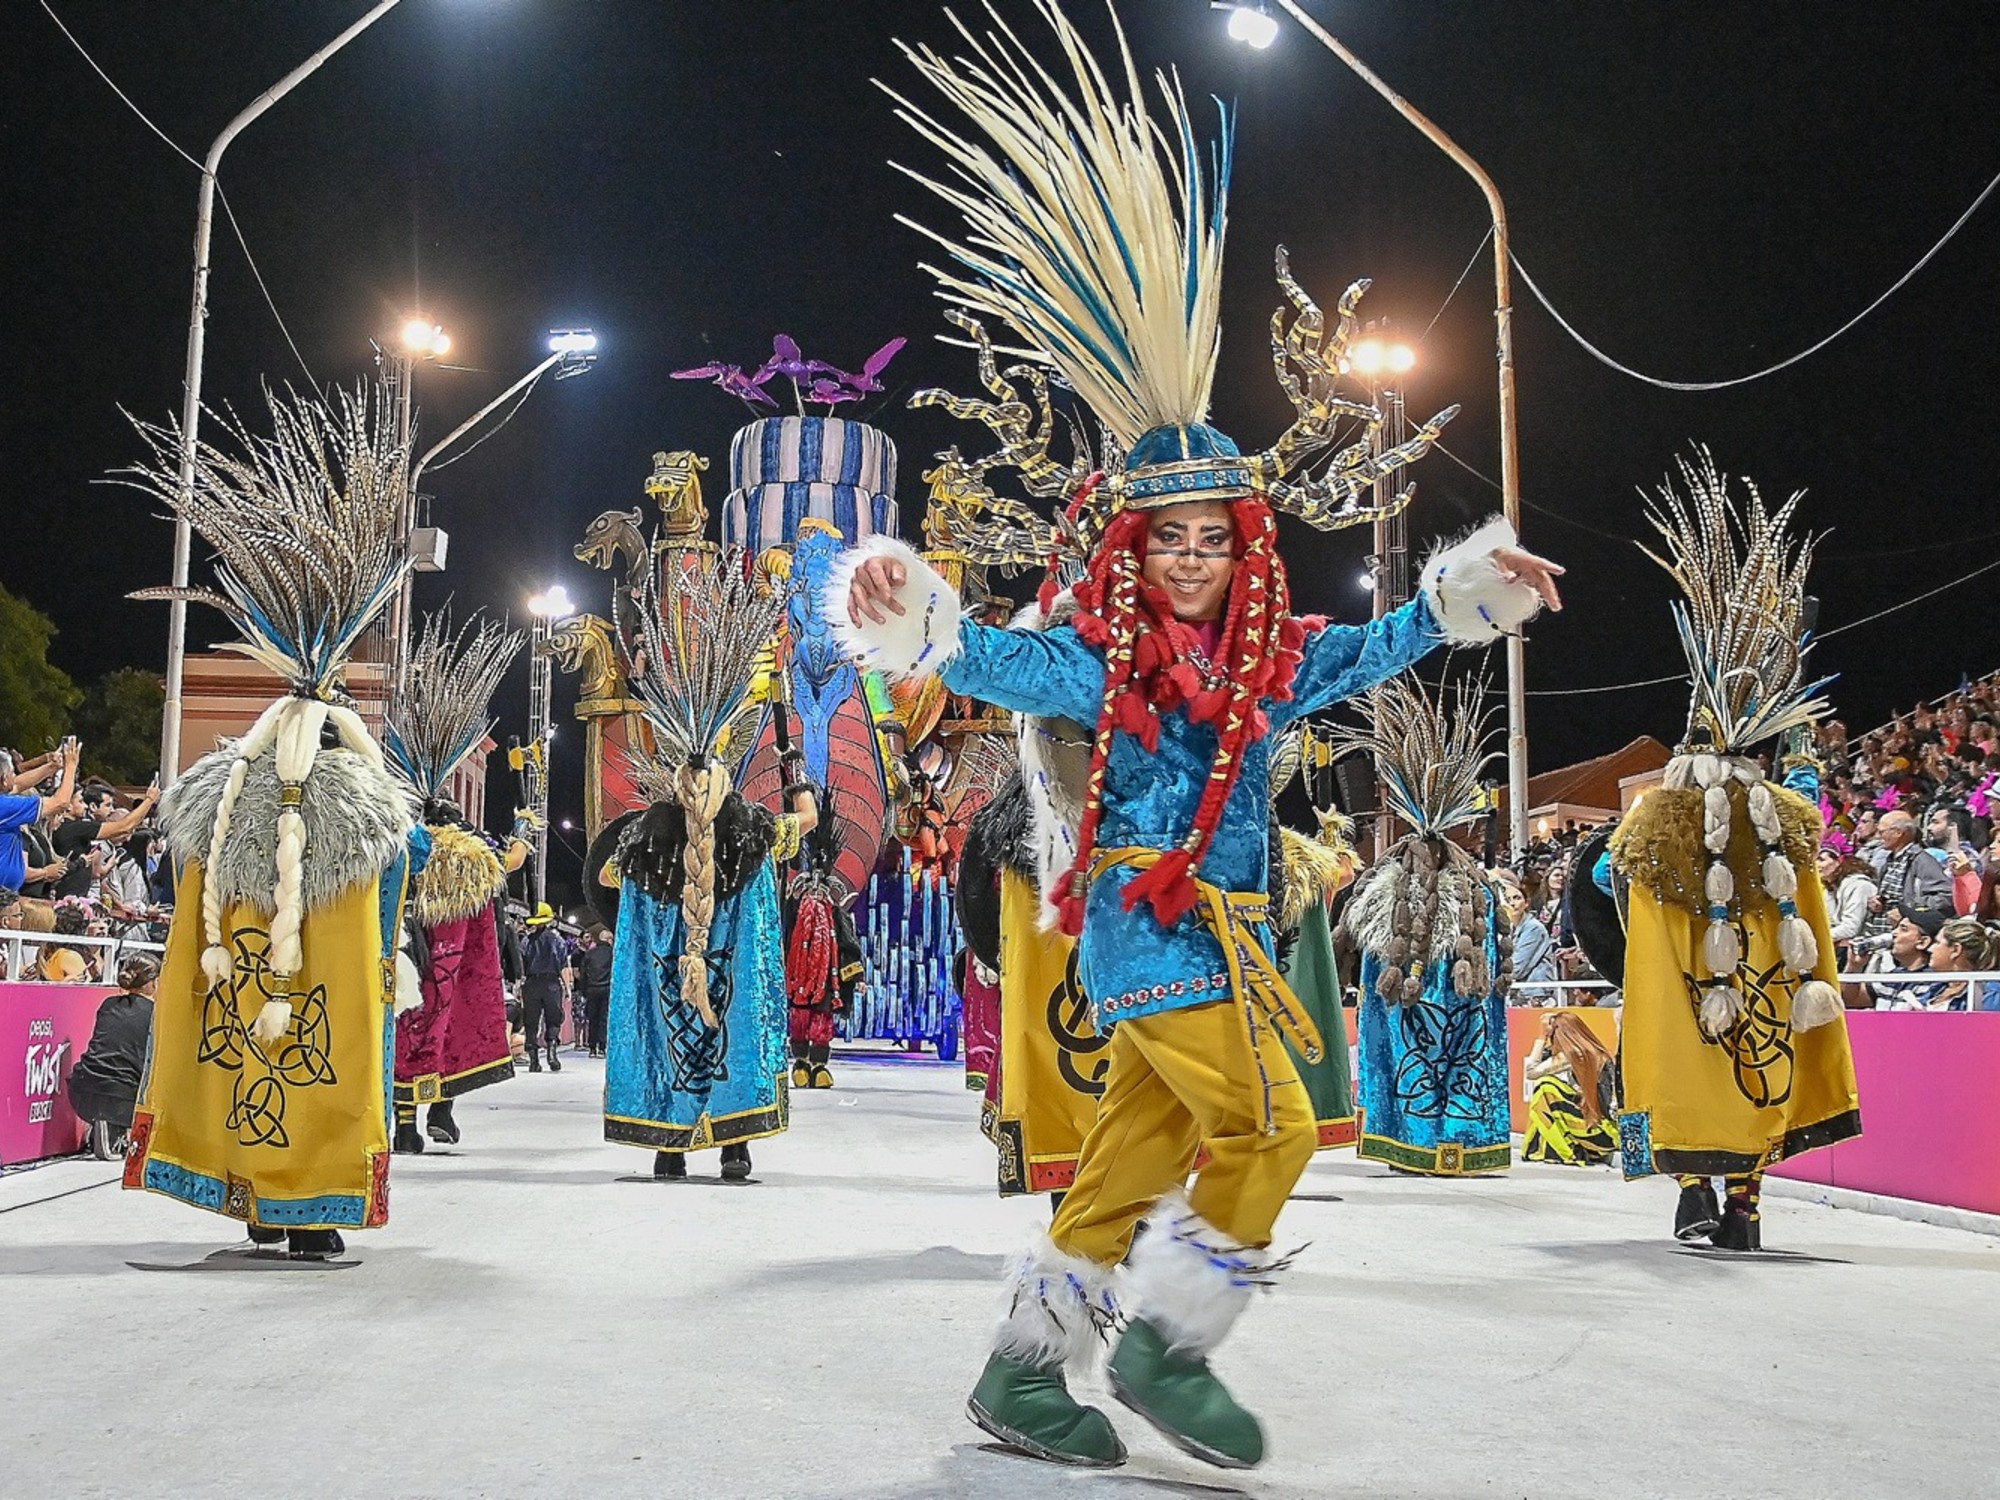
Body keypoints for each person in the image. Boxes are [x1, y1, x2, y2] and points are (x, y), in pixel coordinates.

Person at [835, 2, 1561, 1467]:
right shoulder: (1096, 662)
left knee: (1125, 1170)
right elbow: (991, 653)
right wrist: (910, 612)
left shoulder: (1276, 656)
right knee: (1277, 1130)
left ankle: (1021, 1376)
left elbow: (1381, 641)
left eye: (1209, 538)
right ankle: (1168, 1349)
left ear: (1245, 542)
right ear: (1129, 550)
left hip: (1226, 925)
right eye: (1161, 539)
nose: (1186, 560)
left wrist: (1469, 591)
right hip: (1140, 928)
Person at [119, 381, 420, 1261]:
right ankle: (311, 1215)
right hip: (315, 1007)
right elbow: (397, 895)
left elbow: (187, 900)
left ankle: (253, 1197)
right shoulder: (367, 811)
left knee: (250, 1057)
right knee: (315, 1059)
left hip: (242, 982)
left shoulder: (215, 798)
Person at [1605, 450, 1858, 1254]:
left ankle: (1692, 1192)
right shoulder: (1786, 820)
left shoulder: (1653, 825)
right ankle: (1744, 1205)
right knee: (1755, 1084)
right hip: (1766, 988)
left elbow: (1611, 899)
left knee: (1686, 1077)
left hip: (1685, 990)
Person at [592, 545, 816, 1184]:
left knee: (670, 1018)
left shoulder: (644, 839)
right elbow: (806, 823)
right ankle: (734, 1145)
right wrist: (790, 756)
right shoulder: (751, 829)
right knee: (728, 1016)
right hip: (723, 970)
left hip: (670, 967)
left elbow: (608, 883)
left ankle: (669, 1142)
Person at [1341, 681, 1512, 1178]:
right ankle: (1453, 1143)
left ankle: (1413, 1143)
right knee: (1459, 1045)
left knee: (1416, 1044)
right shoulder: (1469, 895)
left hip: (1434, 995)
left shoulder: (1445, 897)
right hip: (1451, 999)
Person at [384, 608, 531, 1152]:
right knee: (447, 1025)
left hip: (404, 956)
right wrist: (523, 827)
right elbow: (511, 861)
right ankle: (441, 1109)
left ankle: (403, 1124)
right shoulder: (472, 855)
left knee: (403, 1030)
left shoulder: (397, 849)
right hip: (447, 964)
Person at [67, 951, 161, 1158]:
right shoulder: (157, 1014)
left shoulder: (108, 1004)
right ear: (153, 983)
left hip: (81, 1090)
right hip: (121, 1097)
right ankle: (113, 1127)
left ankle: (107, 1126)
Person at [1521, 1010, 1619, 1166]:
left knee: (1545, 1088)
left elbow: (1531, 1072)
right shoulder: (1596, 1052)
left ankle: (1568, 1151)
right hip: (1609, 1132)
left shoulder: (1572, 1054)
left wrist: (1542, 1036)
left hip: (1598, 1131)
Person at [52, 777, 158, 900]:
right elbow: (124, 826)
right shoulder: (76, 828)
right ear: (68, 805)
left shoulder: (73, 827)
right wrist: (149, 800)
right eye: (81, 801)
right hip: (68, 900)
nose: (85, 806)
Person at [0, 738, 79, 896]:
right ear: (3, 779)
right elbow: (60, 803)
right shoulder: (5, 806)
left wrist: (51, 767)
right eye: (12, 773)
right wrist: (71, 767)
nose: (15, 776)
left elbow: (19, 784)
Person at [517, 905, 571, 1073]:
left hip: (532, 984)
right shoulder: (558, 941)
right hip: (552, 984)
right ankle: (552, 1054)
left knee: (531, 1021)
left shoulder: (526, 940)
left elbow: (522, 964)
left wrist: (520, 986)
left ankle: (534, 1060)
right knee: (553, 1019)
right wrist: (567, 987)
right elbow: (563, 966)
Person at [1925, 916, 2000, 1011]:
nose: (1930, 949)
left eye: (1937, 942)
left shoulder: (1990, 995)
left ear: (1956, 950)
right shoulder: (1936, 988)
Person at [577, 926, 615, 1058]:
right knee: (604, 1018)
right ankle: (603, 1047)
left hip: (592, 989)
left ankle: (592, 1047)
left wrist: (584, 990)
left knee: (592, 1018)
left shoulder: (589, 953)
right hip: (606, 989)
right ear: (609, 940)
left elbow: (583, 974)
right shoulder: (612, 953)